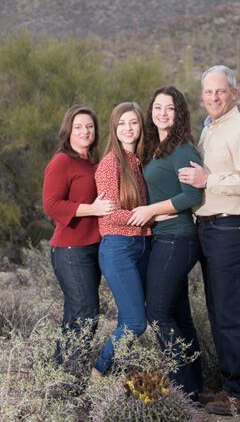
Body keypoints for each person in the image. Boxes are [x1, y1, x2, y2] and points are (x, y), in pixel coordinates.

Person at [178, 65, 240, 416]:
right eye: (208, 92)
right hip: (211, 229)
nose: (214, 97)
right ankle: (231, 388)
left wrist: (209, 180)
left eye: (220, 91)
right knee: (220, 312)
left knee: (235, 313)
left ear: (235, 93)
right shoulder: (211, 130)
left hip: (235, 227)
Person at [126, 86, 205, 398]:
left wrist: (151, 211)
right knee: (178, 315)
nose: (162, 113)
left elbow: (192, 195)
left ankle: (180, 387)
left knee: (157, 313)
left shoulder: (182, 149)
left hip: (178, 238)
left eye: (169, 108)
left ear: (179, 113)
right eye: (157, 107)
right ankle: (194, 388)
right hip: (163, 238)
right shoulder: (155, 148)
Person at [42, 105, 115, 374]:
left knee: (75, 313)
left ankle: (61, 374)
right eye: (78, 127)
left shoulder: (93, 162)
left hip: (92, 247)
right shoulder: (62, 161)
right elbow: (51, 204)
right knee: (86, 313)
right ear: (68, 131)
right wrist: (92, 209)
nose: (85, 131)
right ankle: (72, 375)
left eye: (90, 127)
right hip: (70, 250)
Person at [92, 101, 152, 376]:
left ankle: (114, 372)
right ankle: (99, 372)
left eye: (133, 123)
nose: (128, 129)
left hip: (141, 246)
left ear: (141, 126)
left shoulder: (138, 162)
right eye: (121, 124)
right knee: (134, 323)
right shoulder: (109, 164)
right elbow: (109, 215)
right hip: (118, 248)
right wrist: (152, 216)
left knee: (144, 318)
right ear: (113, 129)